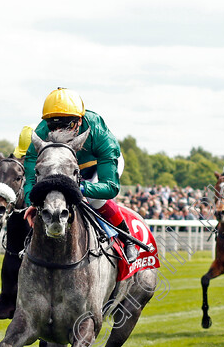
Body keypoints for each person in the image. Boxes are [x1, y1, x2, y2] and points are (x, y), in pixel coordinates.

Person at [22, 88, 139, 262]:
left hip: (98, 166)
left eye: (66, 125)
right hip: (63, 167)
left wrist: (78, 189)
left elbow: (110, 187)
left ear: (79, 121)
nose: (59, 131)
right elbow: (32, 176)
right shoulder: (40, 132)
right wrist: (33, 200)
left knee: (95, 200)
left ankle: (127, 238)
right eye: (54, 126)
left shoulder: (98, 131)